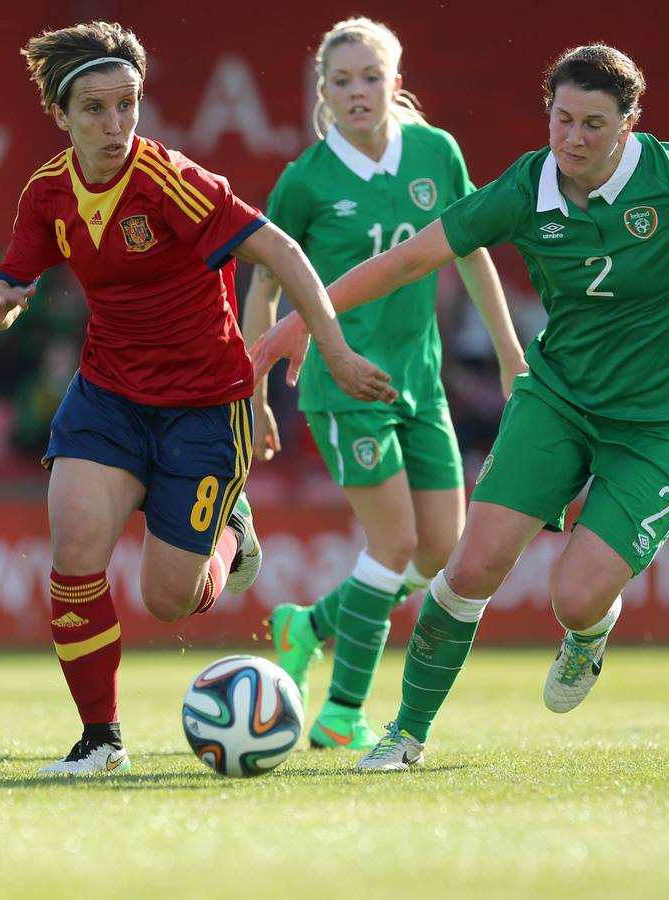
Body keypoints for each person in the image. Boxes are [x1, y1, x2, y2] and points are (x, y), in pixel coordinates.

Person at [251, 43, 669, 770]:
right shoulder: (524, 189)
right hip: (556, 398)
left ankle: (587, 636)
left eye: (593, 124)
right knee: (468, 569)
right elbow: (406, 259)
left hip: (658, 425)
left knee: (575, 597)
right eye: (561, 119)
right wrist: (298, 319)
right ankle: (405, 736)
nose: (572, 139)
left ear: (628, 124)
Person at [0, 20, 396, 777]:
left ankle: (231, 534)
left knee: (169, 599)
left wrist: (331, 347)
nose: (115, 125)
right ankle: (100, 740)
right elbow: (23, 264)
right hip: (107, 396)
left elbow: (280, 249)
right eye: (95, 110)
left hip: (206, 405)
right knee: (73, 553)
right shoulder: (47, 192)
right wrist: (7, 292)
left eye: (127, 106)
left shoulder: (170, 180)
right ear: (62, 116)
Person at [243, 17, 525, 751]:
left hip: (421, 383)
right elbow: (264, 285)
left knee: (441, 552)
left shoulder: (436, 153)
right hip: (340, 385)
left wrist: (506, 353)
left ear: (395, 83)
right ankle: (341, 712)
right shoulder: (306, 179)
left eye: (370, 77)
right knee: (393, 542)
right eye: (341, 81)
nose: (357, 92)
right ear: (323, 93)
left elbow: (471, 254)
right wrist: (254, 385)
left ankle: (306, 627)